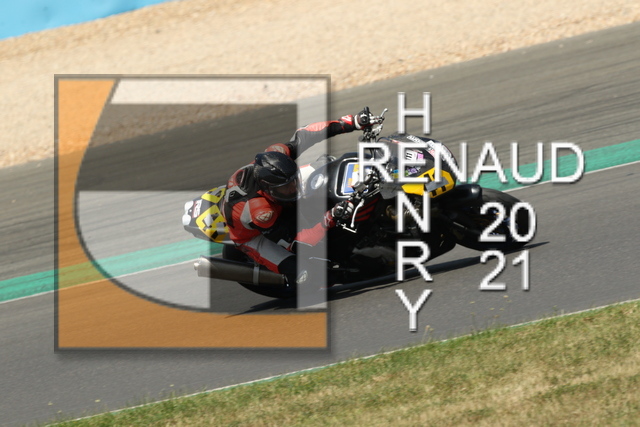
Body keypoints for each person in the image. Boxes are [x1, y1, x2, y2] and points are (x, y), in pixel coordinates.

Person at [220, 108, 375, 286]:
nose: (293, 189)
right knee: (308, 276)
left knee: (331, 164)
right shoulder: (261, 212)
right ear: (268, 189)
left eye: (293, 183)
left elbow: (306, 134)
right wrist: (330, 216)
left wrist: (350, 123)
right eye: (286, 188)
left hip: (278, 186)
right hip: (254, 235)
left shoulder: (276, 156)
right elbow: (297, 242)